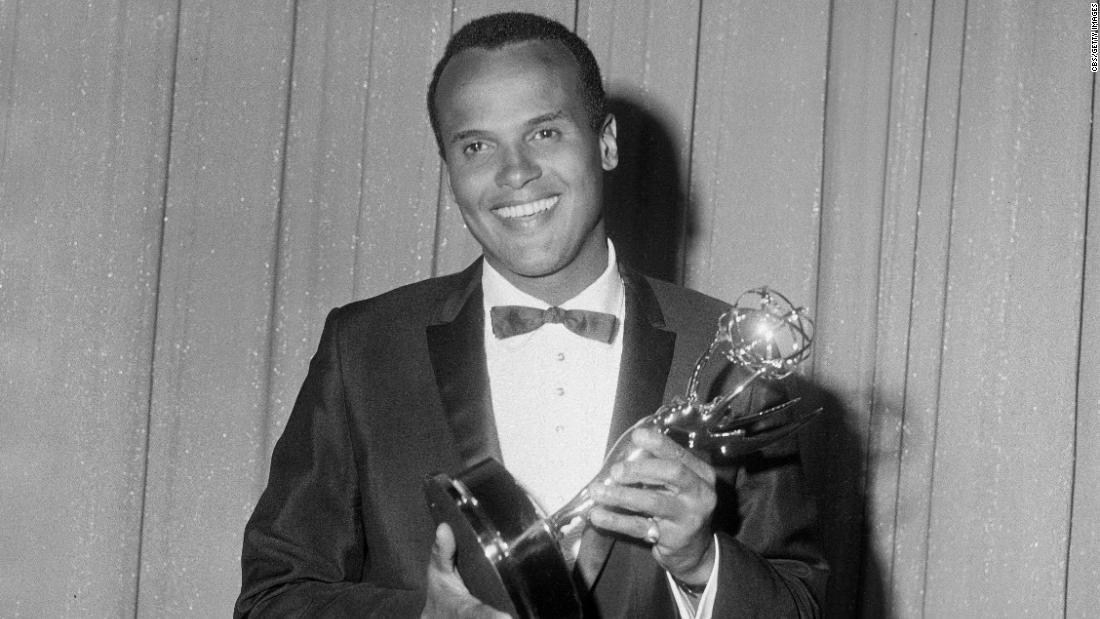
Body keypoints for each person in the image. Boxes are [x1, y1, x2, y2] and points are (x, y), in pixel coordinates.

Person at [236, 12, 827, 618]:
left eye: (544, 133)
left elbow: (802, 605)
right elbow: (271, 599)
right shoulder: (364, 348)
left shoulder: (729, 355)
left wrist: (702, 564)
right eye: (476, 146)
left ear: (606, 142)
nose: (515, 172)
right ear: (449, 171)